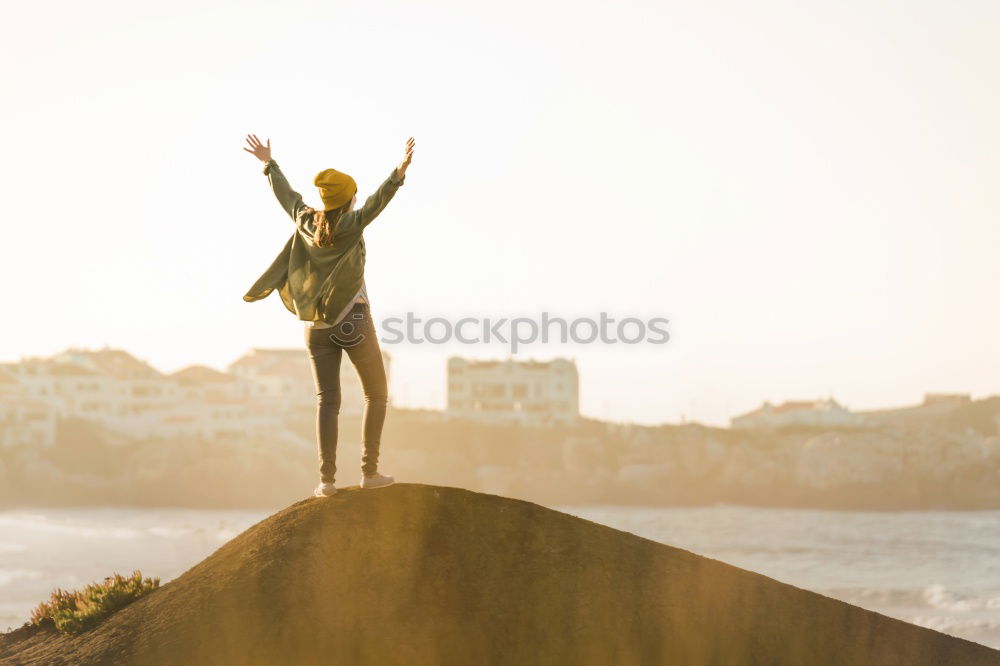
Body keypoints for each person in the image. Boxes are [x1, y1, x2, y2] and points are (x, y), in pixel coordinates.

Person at [242, 134, 415, 498]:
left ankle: (327, 482)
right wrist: (399, 173)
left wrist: (269, 164)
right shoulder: (351, 225)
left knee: (328, 403)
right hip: (352, 320)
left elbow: (287, 197)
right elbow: (376, 203)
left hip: (314, 330)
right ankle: (370, 472)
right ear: (349, 198)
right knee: (377, 395)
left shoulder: (306, 220)